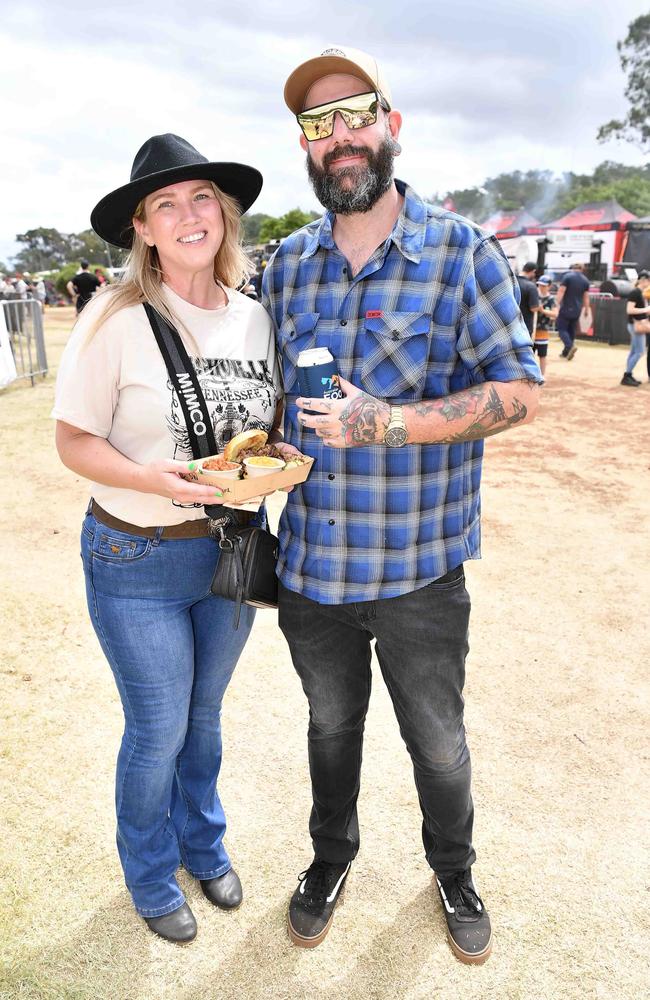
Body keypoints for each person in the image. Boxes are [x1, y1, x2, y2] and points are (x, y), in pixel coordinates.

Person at [263, 45, 542, 964]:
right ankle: (329, 859)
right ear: (305, 146)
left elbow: (519, 392)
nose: (338, 137)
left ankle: (454, 869)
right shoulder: (286, 268)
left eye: (356, 114)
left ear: (391, 125)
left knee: (438, 741)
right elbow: (268, 407)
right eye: (317, 123)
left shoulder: (463, 253)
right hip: (311, 569)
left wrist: (385, 425)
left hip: (420, 569)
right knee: (329, 727)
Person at [53, 133, 285, 943]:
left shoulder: (257, 318)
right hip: (137, 553)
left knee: (207, 715)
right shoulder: (113, 318)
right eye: (165, 205)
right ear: (143, 230)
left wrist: (274, 463)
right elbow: (74, 441)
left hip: (231, 547)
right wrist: (157, 479)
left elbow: (260, 430)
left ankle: (204, 844)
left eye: (201, 200)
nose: (188, 216)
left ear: (222, 215)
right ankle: (151, 874)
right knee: (160, 727)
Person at [555, 261, 591, 361]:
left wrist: (556, 304)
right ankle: (566, 353)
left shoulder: (568, 277)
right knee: (571, 330)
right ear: (582, 269)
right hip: (577, 309)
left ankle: (570, 346)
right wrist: (586, 309)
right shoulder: (585, 280)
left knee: (561, 328)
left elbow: (561, 291)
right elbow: (586, 297)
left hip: (566, 307)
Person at [621, 269, 650, 386]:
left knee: (634, 351)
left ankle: (628, 374)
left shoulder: (640, 293)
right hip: (635, 325)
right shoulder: (635, 293)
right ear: (643, 280)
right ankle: (627, 375)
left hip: (636, 324)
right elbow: (629, 310)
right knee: (639, 352)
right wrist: (646, 310)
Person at [534, 274, 557, 377]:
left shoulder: (551, 299)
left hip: (543, 331)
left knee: (542, 355)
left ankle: (542, 376)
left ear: (549, 286)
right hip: (532, 330)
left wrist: (543, 311)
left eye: (544, 285)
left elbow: (555, 314)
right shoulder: (534, 295)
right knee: (530, 355)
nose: (541, 287)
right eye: (540, 285)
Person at [516, 261, 540, 339]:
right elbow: (534, 308)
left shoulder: (510, 282)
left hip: (508, 324)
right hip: (524, 326)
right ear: (533, 271)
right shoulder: (531, 286)